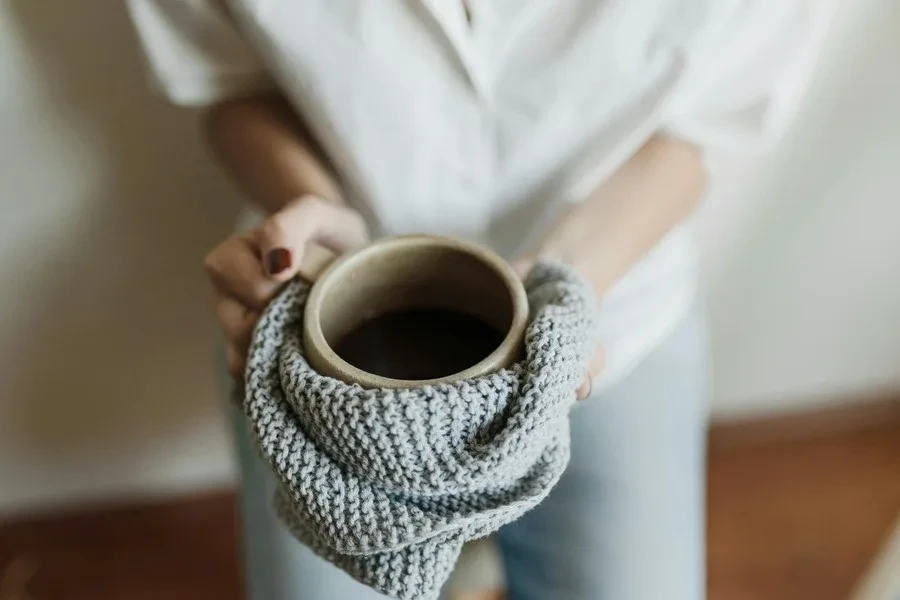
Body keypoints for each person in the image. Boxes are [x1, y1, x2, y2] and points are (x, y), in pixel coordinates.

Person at [126, 1, 835, 599]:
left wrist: (571, 281)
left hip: (611, 319)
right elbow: (228, 80)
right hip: (326, 338)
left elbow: (703, 125)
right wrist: (311, 212)